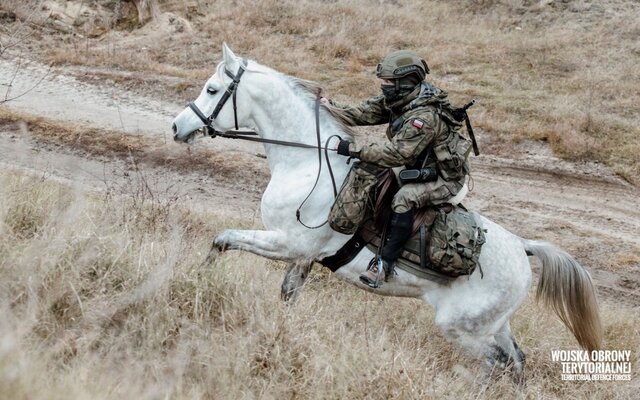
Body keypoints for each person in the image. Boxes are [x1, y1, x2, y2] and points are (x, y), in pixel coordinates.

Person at [328, 50, 472, 288]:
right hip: (417, 166)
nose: (383, 86)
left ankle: (384, 266)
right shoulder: (401, 100)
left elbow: (397, 154)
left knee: (403, 199)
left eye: (387, 81)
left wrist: (351, 149)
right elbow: (364, 112)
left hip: (444, 179)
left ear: (404, 83)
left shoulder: (423, 116)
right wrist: (329, 107)